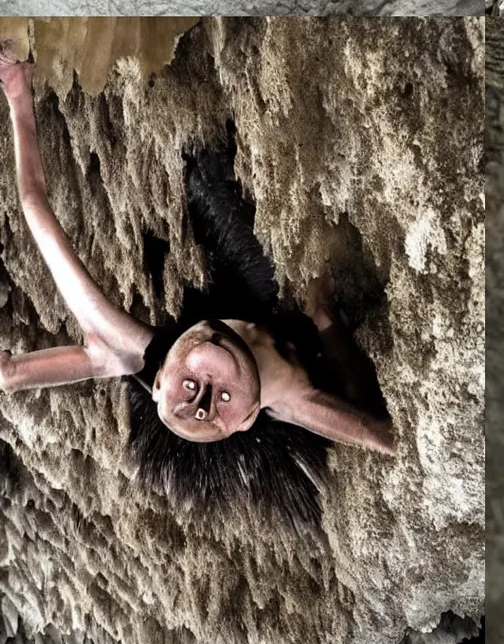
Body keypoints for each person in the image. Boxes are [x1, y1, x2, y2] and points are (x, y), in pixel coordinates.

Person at [0, 42, 394, 528]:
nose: (204, 396)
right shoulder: (291, 395)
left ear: (161, 377)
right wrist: (324, 318)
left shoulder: (121, 346)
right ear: (249, 417)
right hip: (286, 332)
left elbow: (33, 203)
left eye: (190, 395)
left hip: (211, 308)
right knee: (326, 316)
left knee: (203, 173)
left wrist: (17, 89)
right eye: (218, 404)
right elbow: (381, 433)